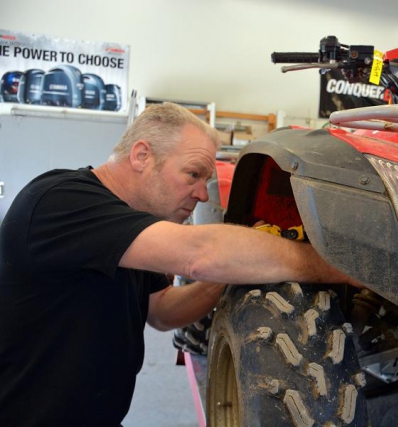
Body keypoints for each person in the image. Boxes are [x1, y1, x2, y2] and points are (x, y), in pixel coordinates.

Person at [0, 102, 357, 426]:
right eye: (193, 174)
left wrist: (230, 273)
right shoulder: (59, 200)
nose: (202, 194)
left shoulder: (135, 229)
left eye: (207, 180)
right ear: (142, 156)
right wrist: (336, 266)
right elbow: (199, 255)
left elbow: (163, 312)